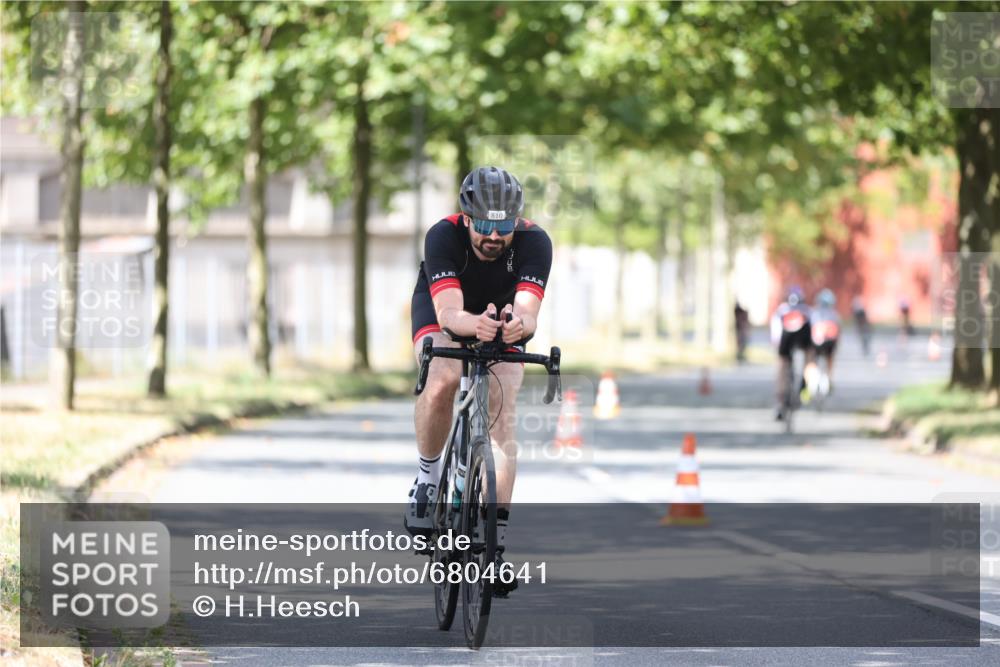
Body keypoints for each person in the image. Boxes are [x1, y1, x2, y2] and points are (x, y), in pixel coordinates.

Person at [406, 166, 553, 596]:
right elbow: (450, 316)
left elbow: (528, 312)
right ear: (466, 218)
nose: (494, 235)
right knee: (443, 377)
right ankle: (428, 481)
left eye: (503, 225)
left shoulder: (535, 242)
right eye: (485, 225)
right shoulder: (442, 236)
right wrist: (475, 326)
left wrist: (515, 327)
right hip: (443, 309)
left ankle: (494, 546)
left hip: (499, 318)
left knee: (502, 412)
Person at [770, 286, 812, 420]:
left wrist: (776, 343)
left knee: (782, 367)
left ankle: (780, 400)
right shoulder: (806, 311)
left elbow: (775, 331)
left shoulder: (782, 311)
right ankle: (804, 387)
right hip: (797, 342)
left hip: (787, 342)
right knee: (808, 359)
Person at [808, 288, 840, 396]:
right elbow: (838, 331)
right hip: (830, 342)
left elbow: (810, 329)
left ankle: (812, 380)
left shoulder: (814, 313)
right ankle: (828, 378)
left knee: (811, 359)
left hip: (816, 342)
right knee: (830, 357)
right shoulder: (834, 314)